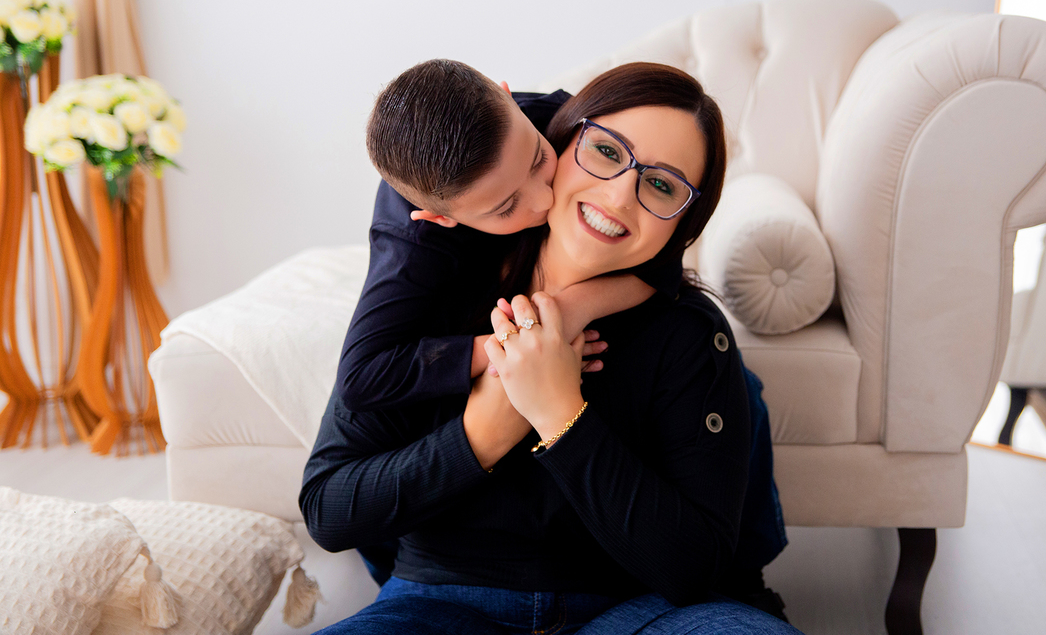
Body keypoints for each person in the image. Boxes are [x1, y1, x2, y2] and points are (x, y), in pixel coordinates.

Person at [302, 64, 799, 634]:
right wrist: (480, 435)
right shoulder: (429, 295)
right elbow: (329, 507)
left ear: (684, 221)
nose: (620, 196)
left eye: (662, 185)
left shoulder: (687, 330)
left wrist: (560, 414)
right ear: (570, 139)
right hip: (438, 606)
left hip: (631, 612)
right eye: (607, 153)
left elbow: (694, 569)